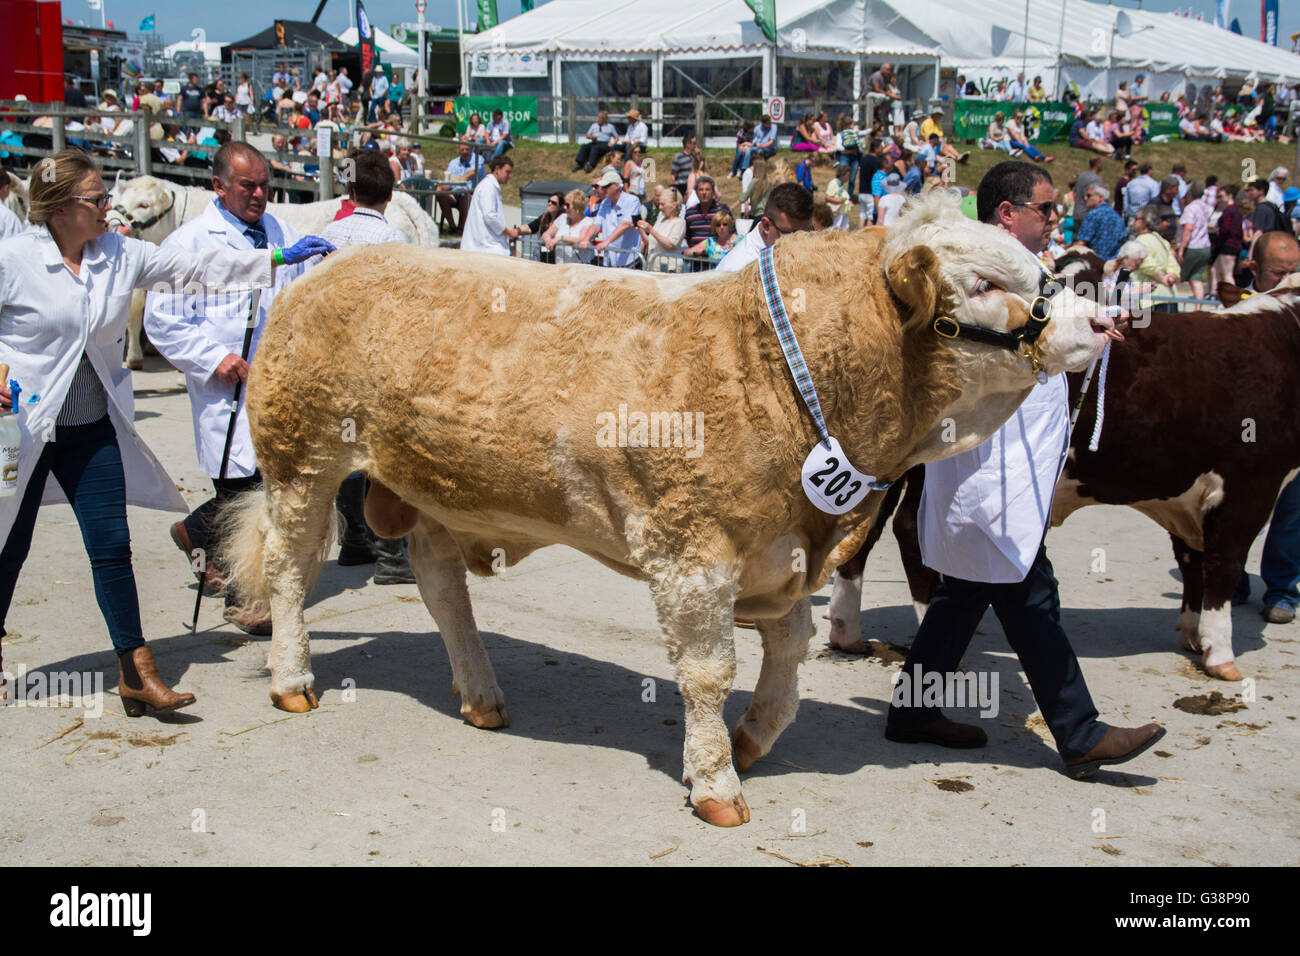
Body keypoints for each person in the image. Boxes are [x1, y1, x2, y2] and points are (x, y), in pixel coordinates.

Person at [0, 148, 329, 711]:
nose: (110, 206)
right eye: (98, 198)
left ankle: (136, 669)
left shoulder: (118, 254)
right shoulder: (12, 259)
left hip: (91, 428)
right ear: (59, 208)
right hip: (26, 428)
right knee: (11, 545)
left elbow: (199, 268)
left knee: (112, 549)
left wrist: (274, 258)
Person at [885, 159, 1164, 778]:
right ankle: (1079, 730)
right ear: (1008, 213)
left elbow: (1053, 318)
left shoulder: (1022, 267)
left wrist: (1092, 322)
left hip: (1006, 459)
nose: (1054, 220)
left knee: (966, 591)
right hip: (991, 459)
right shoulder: (981, 272)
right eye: (1045, 209)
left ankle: (913, 711)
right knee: (1026, 589)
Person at [145, 143, 331, 636]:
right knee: (242, 493)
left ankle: (196, 532)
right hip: (225, 391)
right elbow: (161, 321)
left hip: (277, 387)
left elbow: (302, 291)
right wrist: (213, 357)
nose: (258, 194)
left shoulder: (281, 233)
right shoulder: (187, 244)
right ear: (219, 185)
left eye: (265, 184)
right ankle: (246, 598)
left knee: (270, 489)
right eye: (247, 185)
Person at [311, 150, 415, 585]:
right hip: (380, 360)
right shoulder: (396, 240)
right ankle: (391, 556)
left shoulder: (328, 234)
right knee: (384, 455)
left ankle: (354, 540)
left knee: (347, 451)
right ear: (390, 196)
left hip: (334, 357)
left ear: (350, 192)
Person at [1233, 231, 1300, 620]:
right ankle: (1232, 580)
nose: (1288, 280)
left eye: (1295, 271)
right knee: (1237, 509)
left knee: (1291, 513)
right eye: (1278, 272)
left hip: (1291, 432)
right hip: (1243, 429)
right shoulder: (1232, 308)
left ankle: (1282, 591)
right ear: (1254, 268)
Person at [716, 181, 814, 272]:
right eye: (792, 235)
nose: (801, 242)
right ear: (766, 225)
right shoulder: (737, 269)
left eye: (808, 232)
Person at [460, 155, 517, 256]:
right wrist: (508, 232)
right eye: (507, 172)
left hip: (484, 248)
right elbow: (490, 217)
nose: (510, 176)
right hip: (485, 249)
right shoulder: (488, 187)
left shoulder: (490, 186)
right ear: (497, 169)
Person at [591, 166, 642, 268]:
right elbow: (596, 224)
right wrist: (585, 239)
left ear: (617, 186)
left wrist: (606, 242)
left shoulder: (632, 201)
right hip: (609, 259)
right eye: (602, 187)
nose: (602, 189)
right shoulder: (605, 202)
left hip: (629, 260)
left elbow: (625, 224)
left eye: (606, 186)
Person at [1176, 180, 1213, 299]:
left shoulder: (1190, 208)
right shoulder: (1205, 207)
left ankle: (1171, 303)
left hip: (1192, 247)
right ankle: (1198, 306)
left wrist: (1181, 249)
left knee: (1177, 275)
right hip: (1205, 246)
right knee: (1196, 278)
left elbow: (1189, 228)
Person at [436, 141, 483, 233]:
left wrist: (456, 180)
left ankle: (462, 228)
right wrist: (441, 188)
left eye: (467, 149)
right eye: (462, 150)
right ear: (458, 151)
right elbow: (448, 179)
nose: (465, 152)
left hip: (470, 193)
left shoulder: (478, 159)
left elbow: (472, 173)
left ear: (471, 150)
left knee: (464, 195)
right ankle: (452, 226)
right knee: (440, 192)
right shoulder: (453, 163)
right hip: (454, 191)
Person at [543, 188, 600, 264]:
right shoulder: (562, 217)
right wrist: (549, 241)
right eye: (564, 204)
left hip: (580, 268)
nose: (564, 207)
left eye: (567, 205)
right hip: (561, 266)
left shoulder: (588, 222)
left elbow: (581, 239)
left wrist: (560, 238)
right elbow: (546, 233)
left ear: (577, 208)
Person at [1072, 182, 1127, 261]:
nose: (1085, 198)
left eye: (1089, 195)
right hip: (1111, 265)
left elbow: (1081, 243)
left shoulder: (1093, 214)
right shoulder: (1118, 217)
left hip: (1092, 264)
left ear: (1100, 198)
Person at [682, 176, 729, 266]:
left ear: (712, 192)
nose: (704, 193)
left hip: (717, 263)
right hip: (694, 263)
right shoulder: (690, 213)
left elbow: (732, 233)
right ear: (696, 192)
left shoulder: (723, 210)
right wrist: (691, 251)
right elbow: (685, 237)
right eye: (701, 190)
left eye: (707, 189)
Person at [636, 188, 686, 269]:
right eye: (659, 204)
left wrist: (651, 230)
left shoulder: (680, 222)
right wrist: (641, 231)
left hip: (669, 269)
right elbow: (651, 242)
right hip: (654, 267)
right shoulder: (660, 220)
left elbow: (670, 245)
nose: (660, 207)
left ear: (673, 205)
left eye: (663, 204)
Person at [1131, 207, 1179, 290]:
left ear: (1144, 222)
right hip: (1168, 294)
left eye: (1136, 219)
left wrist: (1163, 279)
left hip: (1150, 295)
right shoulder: (1162, 240)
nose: (1133, 222)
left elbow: (1147, 264)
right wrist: (1171, 276)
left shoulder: (1141, 240)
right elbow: (1173, 265)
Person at [1210, 183, 1244, 295]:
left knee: (1227, 274)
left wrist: (1216, 230)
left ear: (1230, 196)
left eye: (1221, 196)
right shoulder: (1236, 210)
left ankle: (1232, 296)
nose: (1219, 199)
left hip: (1228, 245)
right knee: (1215, 269)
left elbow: (1225, 229)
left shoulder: (1229, 210)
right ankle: (1214, 293)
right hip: (1231, 245)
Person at [1073, 155, 1104, 220]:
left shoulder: (1082, 175)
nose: (1103, 165)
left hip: (1076, 213)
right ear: (1097, 164)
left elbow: (1074, 192)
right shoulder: (1096, 179)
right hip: (1087, 215)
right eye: (1102, 163)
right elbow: (1096, 200)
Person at [825, 163, 853, 228]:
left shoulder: (840, 185)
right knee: (834, 229)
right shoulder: (834, 183)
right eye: (848, 175)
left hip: (842, 212)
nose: (848, 178)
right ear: (842, 175)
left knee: (843, 229)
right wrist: (838, 201)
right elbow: (827, 198)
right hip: (836, 212)